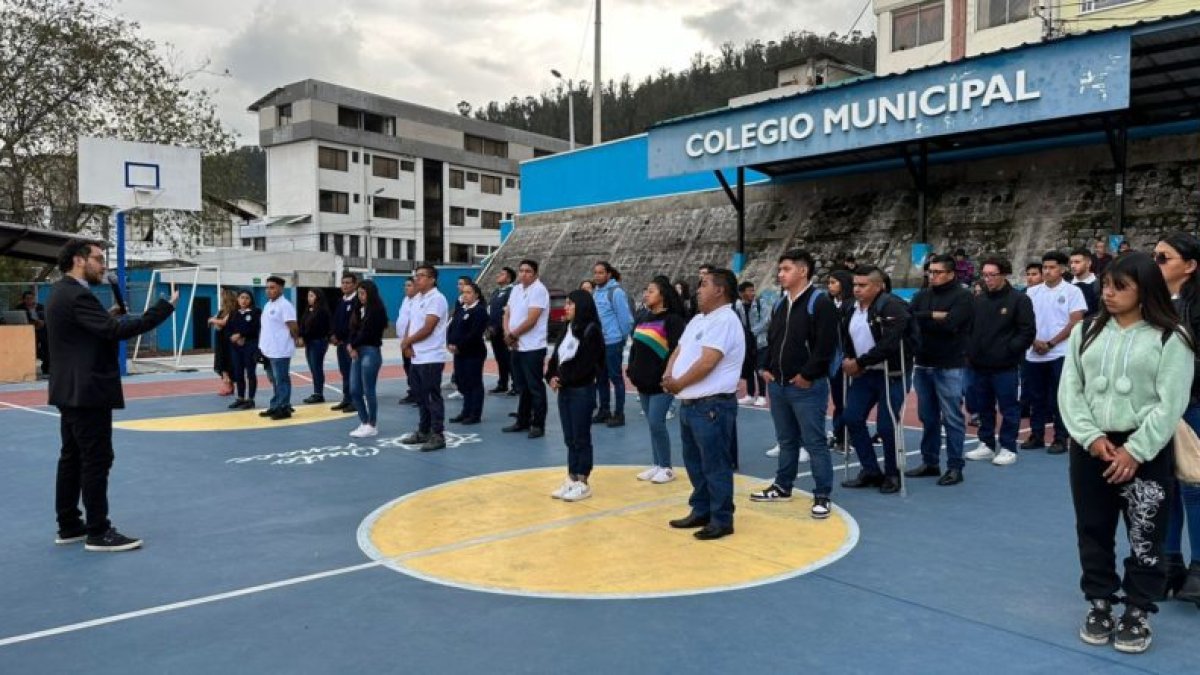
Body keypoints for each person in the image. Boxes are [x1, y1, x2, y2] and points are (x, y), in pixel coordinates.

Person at [1059, 250, 1193, 654]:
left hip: (1146, 449)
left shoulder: (1172, 337)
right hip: (1091, 448)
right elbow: (1071, 389)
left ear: (1145, 289)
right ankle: (1099, 602)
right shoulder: (1086, 331)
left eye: (1120, 287)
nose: (1108, 293)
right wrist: (1090, 437)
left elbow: (1171, 403)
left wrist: (1135, 450)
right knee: (1093, 529)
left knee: (1146, 534)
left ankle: (1137, 610)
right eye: (1105, 285)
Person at [47, 239, 177, 551]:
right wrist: (163, 309)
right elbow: (115, 332)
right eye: (98, 259)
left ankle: (69, 525)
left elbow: (85, 331)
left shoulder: (60, 292)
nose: (103, 265)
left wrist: (107, 315)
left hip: (69, 389)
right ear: (79, 260)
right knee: (96, 459)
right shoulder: (78, 294)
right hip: (88, 390)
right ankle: (98, 531)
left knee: (72, 457)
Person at [749, 249, 839, 518]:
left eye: (786, 269)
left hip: (806, 387)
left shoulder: (819, 303)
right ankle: (782, 486)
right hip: (778, 385)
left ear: (803, 271)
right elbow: (773, 339)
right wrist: (765, 367)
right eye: (780, 269)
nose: (780, 274)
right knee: (786, 439)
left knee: (814, 441)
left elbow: (825, 346)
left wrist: (807, 375)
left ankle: (822, 494)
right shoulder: (780, 303)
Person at [662, 268, 744, 541]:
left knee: (715, 464)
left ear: (720, 290)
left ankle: (721, 519)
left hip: (711, 406)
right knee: (695, 463)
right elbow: (679, 350)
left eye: (704, 284)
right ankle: (702, 509)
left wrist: (679, 383)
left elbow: (708, 362)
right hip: (691, 404)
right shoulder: (699, 319)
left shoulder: (725, 320)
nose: (698, 289)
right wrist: (669, 375)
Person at [1154, 232, 1200, 603]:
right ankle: (1169, 562)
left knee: (1194, 485)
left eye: (1163, 258)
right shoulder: (1149, 302)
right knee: (1164, 485)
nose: (1155, 264)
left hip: (1193, 403)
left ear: (1190, 266)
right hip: (1158, 407)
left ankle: (1199, 566)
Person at [840, 265, 913, 495]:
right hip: (866, 373)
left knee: (886, 425)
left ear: (878, 286)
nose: (857, 289)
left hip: (892, 373)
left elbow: (889, 343)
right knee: (852, 417)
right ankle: (870, 470)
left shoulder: (892, 306)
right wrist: (849, 358)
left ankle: (892, 473)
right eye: (855, 285)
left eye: (863, 285)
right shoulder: (850, 307)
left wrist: (859, 362)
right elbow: (845, 336)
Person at [907, 254, 974, 486]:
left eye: (937, 272)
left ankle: (955, 466)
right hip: (923, 362)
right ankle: (930, 462)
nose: (932, 276)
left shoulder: (963, 296)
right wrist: (932, 316)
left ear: (951, 273)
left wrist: (925, 319)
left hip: (950, 364)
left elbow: (951, 324)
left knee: (952, 417)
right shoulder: (921, 295)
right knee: (928, 417)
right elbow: (909, 318)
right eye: (930, 272)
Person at [963, 258, 1036, 467]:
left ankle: (1008, 447)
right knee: (983, 407)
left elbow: (1027, 331)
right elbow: (969, 329)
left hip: (1005, 367)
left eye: (992, 275)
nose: (988, 279)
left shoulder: (1019, 300)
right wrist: (970, 352)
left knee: (1009, 407)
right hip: (979, 365)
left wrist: (1009, 350)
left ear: (1004, 274)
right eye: (984, 275)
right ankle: (986, 443)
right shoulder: (978, 300)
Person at [1024, 251, 1087, 453]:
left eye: (1052, 267)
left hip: (1060, 353)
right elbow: (1024, 321)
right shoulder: (1032, 292)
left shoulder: (1072, 292)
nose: (1047, 271)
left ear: (1062, 269)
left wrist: (1051, 343)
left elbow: (1075, 321)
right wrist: (1035, 341)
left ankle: (1060, 438)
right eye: (1045, 267)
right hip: (1034, 353)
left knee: (1059, 398)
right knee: (1036, 398)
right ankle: (1036, 435)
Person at [546, 290, 606, 502]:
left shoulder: (591, 330)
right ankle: (572, 477)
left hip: (581, 390)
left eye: (570, 304)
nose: (566, 307)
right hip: (565, 390)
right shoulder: (567, 327)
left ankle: (583, 480)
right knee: (569, 437)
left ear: (581, 306)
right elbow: (556, 357)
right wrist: (551, 376)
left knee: (581, 436)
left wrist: (563, 379)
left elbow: (586, 364)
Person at [627, 277, 686, 484]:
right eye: (646, 291)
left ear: (663, 295)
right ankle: (657, 464)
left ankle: (667, 467)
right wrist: (632, 370)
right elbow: (635, 348)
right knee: (652, 424)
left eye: (651, 291)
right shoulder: (643, 317)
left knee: (656, 422)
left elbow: (677, 351)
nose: (646, 294)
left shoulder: (673, 320)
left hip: (661, 383)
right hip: (643, 382)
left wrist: (668, 376)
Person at [400, 265, 450, 451]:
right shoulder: (417, 298)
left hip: (431, 356)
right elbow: (412, 323)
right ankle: (424, 430)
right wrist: (407, 343)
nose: (417, 279)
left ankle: (438, 434)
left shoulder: (436, 299)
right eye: (416, 275)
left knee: (432, 396)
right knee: (420, 396)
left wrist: (407, 342)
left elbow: (428, 328)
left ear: (432, 279)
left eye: (421, 276)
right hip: (417, 356)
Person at [503, 259, 550, 439]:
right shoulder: (516, 289)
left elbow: (532, 320)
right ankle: (522, 421)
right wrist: (507, 333)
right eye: (521, 270)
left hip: (533, 347)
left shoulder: (539, 290)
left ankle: (538, 424)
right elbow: (507, 313)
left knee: (535, 387)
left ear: (536, 274)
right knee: (522, 386)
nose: (523, 274)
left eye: (528, 271)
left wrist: (512, 335)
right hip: (517, 346)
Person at [591, 260, 634, 427]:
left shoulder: (616, 292)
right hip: (599, 343)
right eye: (595, 273)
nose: (597, 276)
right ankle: (604, 411)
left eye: (601, 272)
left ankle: (619, 414)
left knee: (616, 378)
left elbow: (625, 319)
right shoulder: (596, 292)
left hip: (613, 342)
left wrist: (620, 338)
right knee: (601, 378)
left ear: (608, 274)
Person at [257, 276, 301, 420]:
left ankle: (284, 408)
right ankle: (275, 405)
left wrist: (296, 339)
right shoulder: (268, 305)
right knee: (274, 380)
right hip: (268, 349)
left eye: (272, 287)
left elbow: (293, 326)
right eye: (267, 287)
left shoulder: (285, 305)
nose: (268, 290)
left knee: (282, 380)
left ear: (281, 289)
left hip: (280, 349)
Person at [348, 279, 387, 438]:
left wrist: (353, 345)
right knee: (354, 390)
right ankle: (364, 422)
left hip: (370, 351)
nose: (360, 296)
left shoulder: (376, 310)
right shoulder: (358, 309)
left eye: (363, 293)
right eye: (359, 293)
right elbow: (352, 330)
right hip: (357, 351)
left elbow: (368, 332)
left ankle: (372, 424)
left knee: (368, 389)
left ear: (370, 294)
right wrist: (351, 345)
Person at [448, 282, 488, 424]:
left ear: (476, 295)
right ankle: (465, 411)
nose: (465, 295)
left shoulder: (479, 311)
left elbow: (475, 333)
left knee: (474, 383)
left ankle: (474, 414)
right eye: (463, 292)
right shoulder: (461, 309)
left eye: (468, 292)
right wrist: (449, 342)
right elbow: (451, 327)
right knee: (462, 381)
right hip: (459, 353)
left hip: (473, 352)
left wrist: (459, 345)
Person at [827, 270, 855, 449]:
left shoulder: (851, 305)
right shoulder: (829, 303)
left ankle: (845, 435)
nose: (830, 286)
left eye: (833, 282)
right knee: (838, 400)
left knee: (846, 400)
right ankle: (839, 433)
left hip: (845, 357)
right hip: (833, 358)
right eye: (829, 282)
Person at [734, 281, 769, 406]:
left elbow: (766, 321)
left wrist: (752, 332)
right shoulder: (737, 306)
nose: (752, 293)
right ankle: (750, 394)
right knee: (748, 368)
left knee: (760, 368)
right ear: (741, 293)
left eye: (753, 290)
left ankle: (762, 396)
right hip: (746, 343)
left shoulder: (760, 303)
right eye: (749, 290)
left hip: (760, 342)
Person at [329, 273, 359, 413]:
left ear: (354, 284)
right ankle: (346, 399)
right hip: (340, 343)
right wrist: (333, 335)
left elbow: (353, 324)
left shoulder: (356, 301)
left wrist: (342, 337)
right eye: (343, 283)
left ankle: (355, 401)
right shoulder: (341, 301)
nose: (345, 285)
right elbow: (335, 320)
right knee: (345, 372)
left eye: (348, 283)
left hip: (350, 343)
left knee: (353, 373)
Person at [227, 290, 260, 409]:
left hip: (250, 346)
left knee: (250, 373)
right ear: (238, 299)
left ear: (251, 300)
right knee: (238, 373)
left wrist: (241, 335)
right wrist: (233, 337)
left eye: (247, 298)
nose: (244, 300)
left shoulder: (256, 312)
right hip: (236, 347)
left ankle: (251, 399)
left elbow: (255, 327)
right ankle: (240, 398)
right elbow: (228, 328)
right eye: (242, 297)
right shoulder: (233, 313)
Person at [487, 267, 516, 395]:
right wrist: (489, 326)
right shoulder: (495, 292)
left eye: (502, 274)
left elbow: (509, 313)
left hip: (505, 331)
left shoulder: (512, 292)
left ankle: (516, 385)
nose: (498, 275)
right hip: (494, 332)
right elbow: (490, 310)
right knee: (500, 358)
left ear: (508, 278)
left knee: (509, 359)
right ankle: (502, 384)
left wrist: (503, 328)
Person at [300, 288, 331, 404]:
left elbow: (317, 328)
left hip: (318, 342)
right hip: (309, 342)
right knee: (313, 368)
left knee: (317, 368)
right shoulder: (309, 310)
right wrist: (301, 336)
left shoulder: (322, 311)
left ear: (318, 297)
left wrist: (304, 337)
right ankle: (316, 392)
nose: (309, 298)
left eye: (312, 296)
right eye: (308, 296)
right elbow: (303, 324)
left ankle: (319, 393)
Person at [206, 288, 237, 396]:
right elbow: (217, 320)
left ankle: (227, 384)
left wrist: (212, 320)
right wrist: (214, 320)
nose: (221, 299)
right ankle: (228, 383)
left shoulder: (233, 311)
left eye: (223, 296)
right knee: (221, 360)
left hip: (226, 339)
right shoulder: (222, 311)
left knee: (225, 361)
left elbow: (223, 322)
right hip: (220, 338)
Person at [396, 278, 418, 405]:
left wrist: (408, 341)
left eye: (409, 285)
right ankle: (413, 391)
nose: (406, 288)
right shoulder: (405, 300)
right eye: (405, 285)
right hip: (404, 340)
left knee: (413, 368)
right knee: (407, 367)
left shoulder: (418, 301)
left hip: (412, 341)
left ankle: (417, 394)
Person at [1070, 247, 1100, 317]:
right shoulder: (1066, 285)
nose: (1073, 266)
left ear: (1088, 263)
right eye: (1071, 262)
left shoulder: (1099, 285)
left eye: (1077, 262)